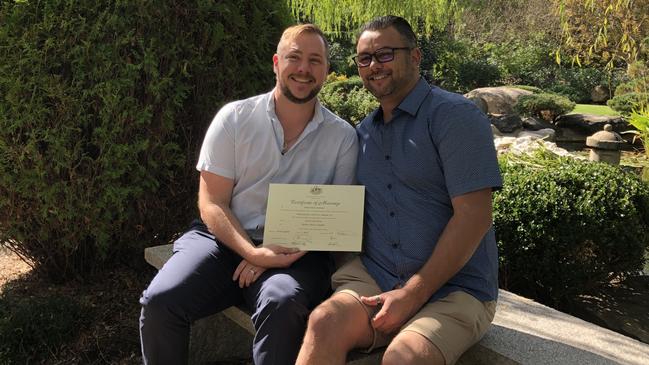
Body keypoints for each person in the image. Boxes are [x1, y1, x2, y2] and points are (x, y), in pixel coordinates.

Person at [139, 24, 358, 365]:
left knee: (281, 302)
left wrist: (276, 254)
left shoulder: (343, 138)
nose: (304, 69)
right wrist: (254, 253)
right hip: (221, 241)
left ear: (327, 71)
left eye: (315, 60)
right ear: (275, 63)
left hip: (299, 252)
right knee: (161, 301)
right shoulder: (235, 119)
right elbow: (212, 203)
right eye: (294, 58)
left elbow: (334, 217)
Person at [296, 15, 502, 365]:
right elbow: (342, 211)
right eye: (365, 59)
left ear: (416, 56)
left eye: (386, 54)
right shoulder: (362, 134)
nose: (374, 65)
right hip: (377, 277)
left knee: (404, 359)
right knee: (323, 322)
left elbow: (475, 216)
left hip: (456, 290)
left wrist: (411, 294)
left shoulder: (456, 117)